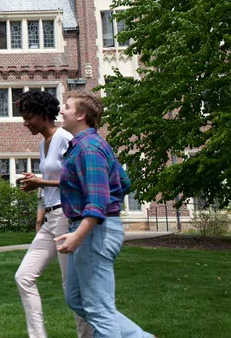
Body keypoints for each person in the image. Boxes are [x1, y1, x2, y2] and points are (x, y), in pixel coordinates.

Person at [54, 90, 153, 338]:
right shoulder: (87, 145)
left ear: (81, 115)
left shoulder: (89, 148)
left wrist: (78, 235)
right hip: (90, 229)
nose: (61, 110)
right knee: (76, 299)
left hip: (93, 232)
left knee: (99, 309)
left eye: (66, 106)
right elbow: (124, 181)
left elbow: (97, 201)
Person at [13, 91, 92, 338]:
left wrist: (41, 182)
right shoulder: (42, 143)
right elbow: (51, 179)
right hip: (50, 219)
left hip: (66, 217)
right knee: (23, 276)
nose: (25, 123)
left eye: (28, 117)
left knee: (73, 288)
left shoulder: (66, 138)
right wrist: (37, 188)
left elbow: (78, 181)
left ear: (43, 115)